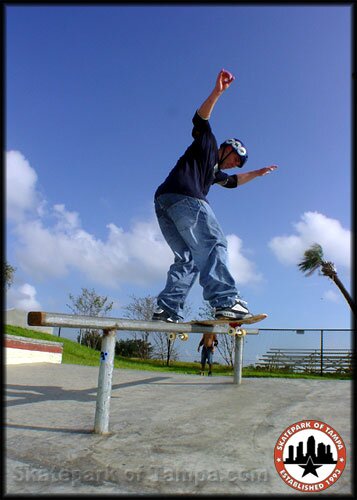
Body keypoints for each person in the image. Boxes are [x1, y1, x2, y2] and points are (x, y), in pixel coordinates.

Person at [152, 69, 278, 323]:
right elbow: (200, 119)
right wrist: (217, 92)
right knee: (214, 244)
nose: (235, 164)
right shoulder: (208, 144)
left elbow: (232, 182)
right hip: (186, 197)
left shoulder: (214, 173)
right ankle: (226, 301)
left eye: (239, 163)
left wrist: (256, 172)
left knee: (188, 258)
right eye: (235, 158)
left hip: (164, 202)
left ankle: (167, 309)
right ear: (226, 149)